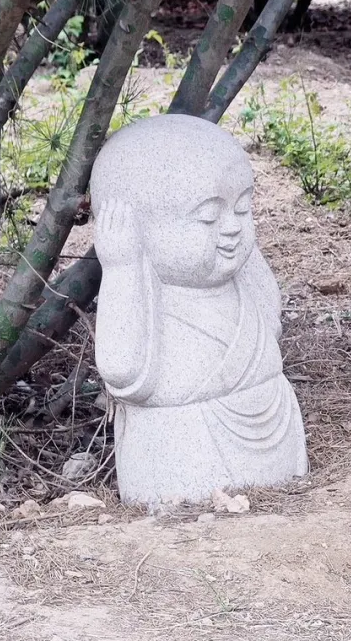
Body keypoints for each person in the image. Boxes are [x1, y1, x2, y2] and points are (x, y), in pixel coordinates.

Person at [91, 114, 308, 506]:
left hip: (271, 418)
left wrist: (248, 252)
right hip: (184, 442)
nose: (231, 227)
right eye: (209, 215)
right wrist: (122, 267)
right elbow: (121, 368)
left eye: (242, 209)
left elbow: (269, 317)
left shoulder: (236, 278)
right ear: (133, 230)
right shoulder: (146, 292)